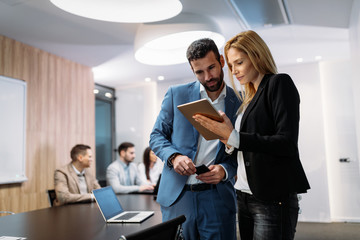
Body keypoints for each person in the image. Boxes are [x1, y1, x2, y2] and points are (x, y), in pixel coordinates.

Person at [193, 30, 311, 240]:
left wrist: (234, 137)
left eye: (239, 62)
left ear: (256, 55)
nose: (234, 71)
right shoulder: (247, 99)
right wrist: (227, 140)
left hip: (272, 197)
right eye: (230, 65)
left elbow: (286, 143)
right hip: (244, 194)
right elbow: (244, 148)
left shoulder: (279, 83)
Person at [149, 38, 240, 240]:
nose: (208, 77)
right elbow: (156, 136)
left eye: (212, 67)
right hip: (178, 196)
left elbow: (242, 150)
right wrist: (174, 157)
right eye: (199, 72)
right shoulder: (176, 94)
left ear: (222, 61)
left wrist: (225, 170)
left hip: (217, 196)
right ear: (192, 70)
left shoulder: (239, 102)